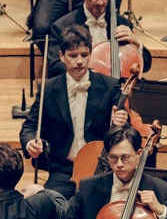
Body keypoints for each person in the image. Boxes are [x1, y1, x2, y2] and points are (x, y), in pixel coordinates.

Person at [21, 25, 128, 200]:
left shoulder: (110, 86)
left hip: (101, 169)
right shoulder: (48, 89)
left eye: (84, 55)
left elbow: (126, 132)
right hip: (63, 171)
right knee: (46, 205)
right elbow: (29, 127)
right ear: (61, 56)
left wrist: (120, 122)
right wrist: (30, 143)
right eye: (73, 55)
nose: (79, 61)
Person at [46, 0, 150, 78]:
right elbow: (55, 67)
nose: (100, 2)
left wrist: (137, 43)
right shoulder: (62, 26)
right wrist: (86, 71)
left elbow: (146, 65)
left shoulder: (122, 23)